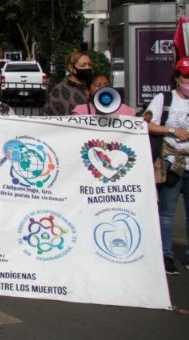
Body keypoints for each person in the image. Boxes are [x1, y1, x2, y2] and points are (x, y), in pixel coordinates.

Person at [144, 58, 189, 275]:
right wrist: (172, 132)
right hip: (172, 163)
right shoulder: (165, 98)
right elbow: (146, 123)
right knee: (167, 213)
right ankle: (166, 255)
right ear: (177, 78)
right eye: (186, 77)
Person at [42, 50, 92, 115]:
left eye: (89, 64)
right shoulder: (60, 90)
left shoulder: (93, 86)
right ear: (71, 68)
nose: (87, 67)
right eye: (82, 65)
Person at [71, 72, 136, 116]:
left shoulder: (125, 110)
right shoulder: (81, 111)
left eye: (106, 85)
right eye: (98, 85)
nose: (103, 88)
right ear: (88, 91)